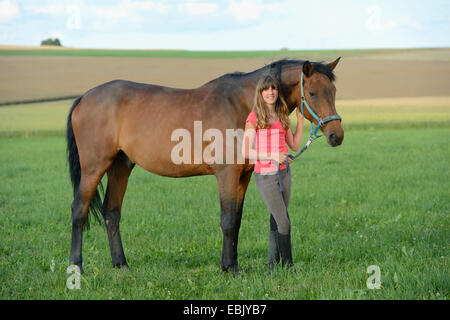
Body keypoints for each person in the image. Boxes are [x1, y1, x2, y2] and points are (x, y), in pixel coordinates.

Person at [242, 74, 304, 274]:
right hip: (266, 177)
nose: (270, 92)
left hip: (284, 173)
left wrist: (301, 122)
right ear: (261, 93)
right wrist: (272, 155)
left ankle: (272, 265)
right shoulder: (254, 118)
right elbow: (246, 152)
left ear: (277, 92)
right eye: (266, 89)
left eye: (273, 89)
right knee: (284, 221)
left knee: (276, 220)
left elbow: (293, 144)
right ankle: (288, 267)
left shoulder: (283, 114)